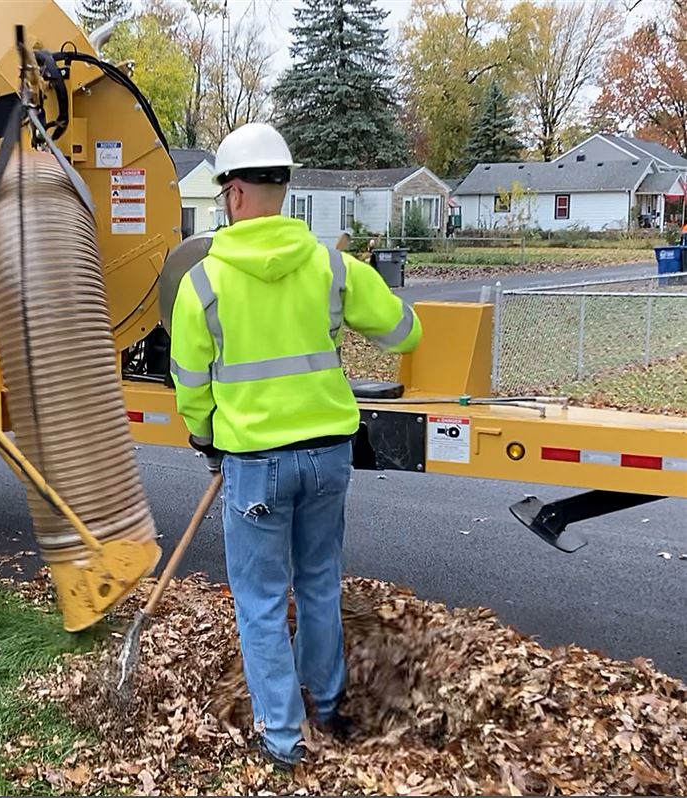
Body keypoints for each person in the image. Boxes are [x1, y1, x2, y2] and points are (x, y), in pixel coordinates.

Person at [169, 123, 423, 768]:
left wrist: (205, 436)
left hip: (254, 465)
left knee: (259, 603)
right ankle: (330, 709)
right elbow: (404, 334)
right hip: (329, 455)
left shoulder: (202, 285)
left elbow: (190, 384)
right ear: (283, 188)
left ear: (231, 194)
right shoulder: (334, 266)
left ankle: (282, 740)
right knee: (317, 583)